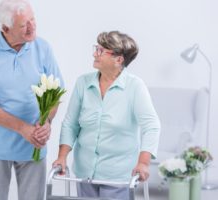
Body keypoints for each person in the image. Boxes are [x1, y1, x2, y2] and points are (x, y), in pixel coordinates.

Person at [0, 0, 63, 200]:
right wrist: (23, 128)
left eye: (33, 19)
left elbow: (56, 93)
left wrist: (47, 121)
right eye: (23, 25)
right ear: (5, 28)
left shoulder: (43, 48)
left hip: (34, 145)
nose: (32, 27)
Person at [53, 31, 160, 200]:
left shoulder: (135, 87)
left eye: (101, 51)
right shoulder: (83, 83)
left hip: (117, 176)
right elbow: (70, 123)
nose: (95, 53)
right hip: (85, 173)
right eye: (96, 48)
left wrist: (143, 162)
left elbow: (151, 126)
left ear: (119, 59)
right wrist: (62, 157)